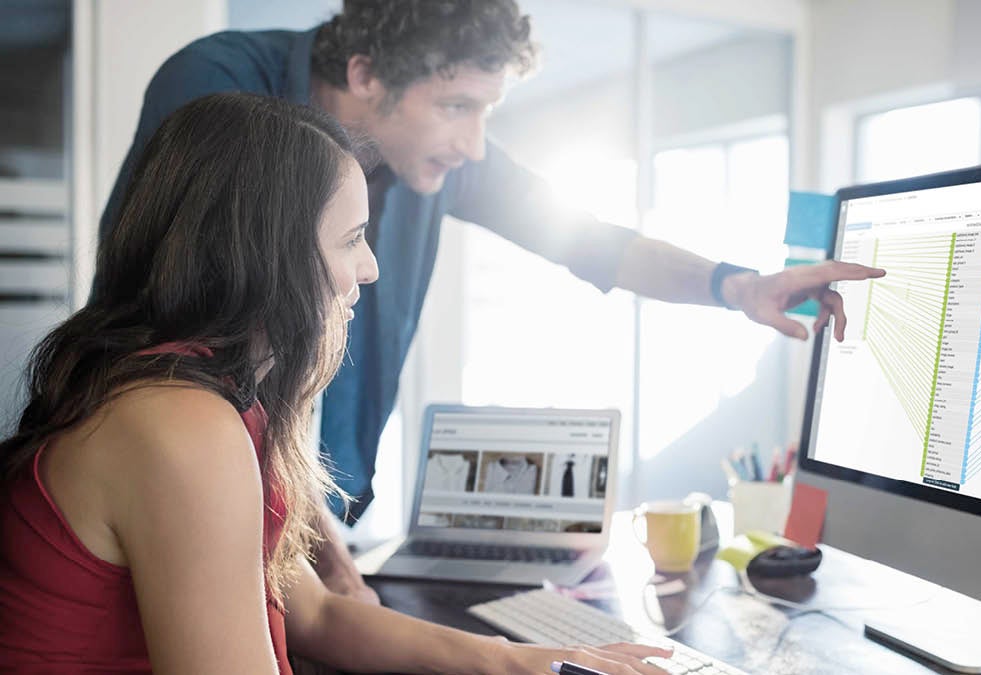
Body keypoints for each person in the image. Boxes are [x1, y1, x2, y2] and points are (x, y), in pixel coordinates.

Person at [97, 0, 886, 602]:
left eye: (486, 111)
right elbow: (184, 332)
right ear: (366, 73)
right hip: (184, 494)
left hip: (315, 514)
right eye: (456, 107)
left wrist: (736, 285)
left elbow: (585, 237)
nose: (475, 144)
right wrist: (318, 548)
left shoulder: (434, 152)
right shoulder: (220, 90)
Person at [0, 92, 673, 674]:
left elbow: (313, 612)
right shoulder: (179, 424)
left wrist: (509, 658)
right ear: (270, 255)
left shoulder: (199, 397)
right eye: (352, 238)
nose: (371, 267)